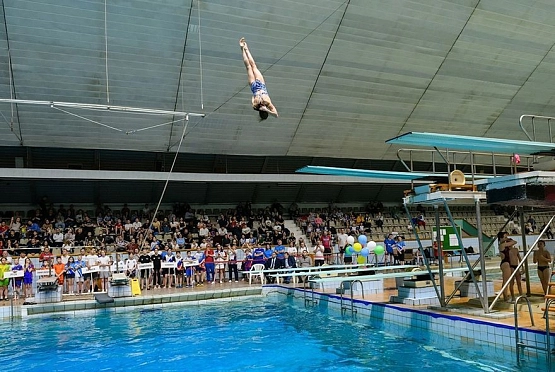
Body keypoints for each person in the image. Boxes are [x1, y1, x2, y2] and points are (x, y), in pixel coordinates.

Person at [239, 37, 278, 120]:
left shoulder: (262, 104)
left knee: (251, 66)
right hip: (258, 86)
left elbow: (276, 115)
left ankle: (244, 49)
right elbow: (276, 115)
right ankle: (244, 49)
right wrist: (266, 109)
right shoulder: (263, 105)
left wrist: (265, 108)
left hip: (258, 86)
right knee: (251, 66)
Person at [498, 232, 516, 303]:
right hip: (505, 263)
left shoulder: (504, 245)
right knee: (506, 282)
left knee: (506, 281)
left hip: (506, 263)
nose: (506, 239)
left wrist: (507, 239)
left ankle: (505, 296)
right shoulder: (502, 245)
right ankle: (505, 297)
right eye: (505, 237)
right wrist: (509, 239)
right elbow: (514, 242)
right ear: (501, 238)